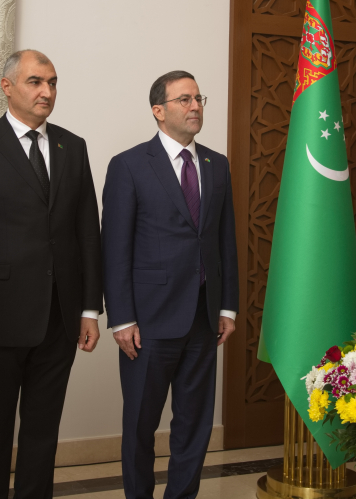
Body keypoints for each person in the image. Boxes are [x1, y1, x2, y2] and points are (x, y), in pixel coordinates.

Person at [0, 49, 103, 499]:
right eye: (35, 82)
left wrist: (90, 309)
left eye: (52, 82)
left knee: (41, 434)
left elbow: (87, 233)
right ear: (7, 86)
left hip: (59, 318)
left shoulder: (73, 146)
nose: (47, 92)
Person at [102, 70, 240, 499]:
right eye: (184, 99)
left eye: (199, 98)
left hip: (203, 317)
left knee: (194, 425)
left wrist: (227, 307)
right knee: (140, 425)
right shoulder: (128, 165)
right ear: (159, 111)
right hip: (148, 320)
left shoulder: (217, 164)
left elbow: (224, 241)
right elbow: (115, 247)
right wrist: (121, 317)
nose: (195, 106)